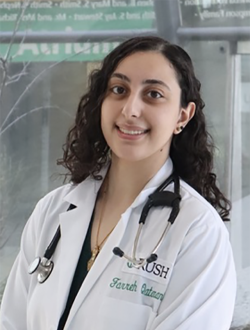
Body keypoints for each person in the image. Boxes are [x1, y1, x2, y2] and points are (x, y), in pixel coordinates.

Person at [0, 36, 236, 330]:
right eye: (119, 90)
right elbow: (11, 321)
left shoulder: (197, 231)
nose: (130, 109)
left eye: (153, 94)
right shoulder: (52, 211)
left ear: (182, 116)